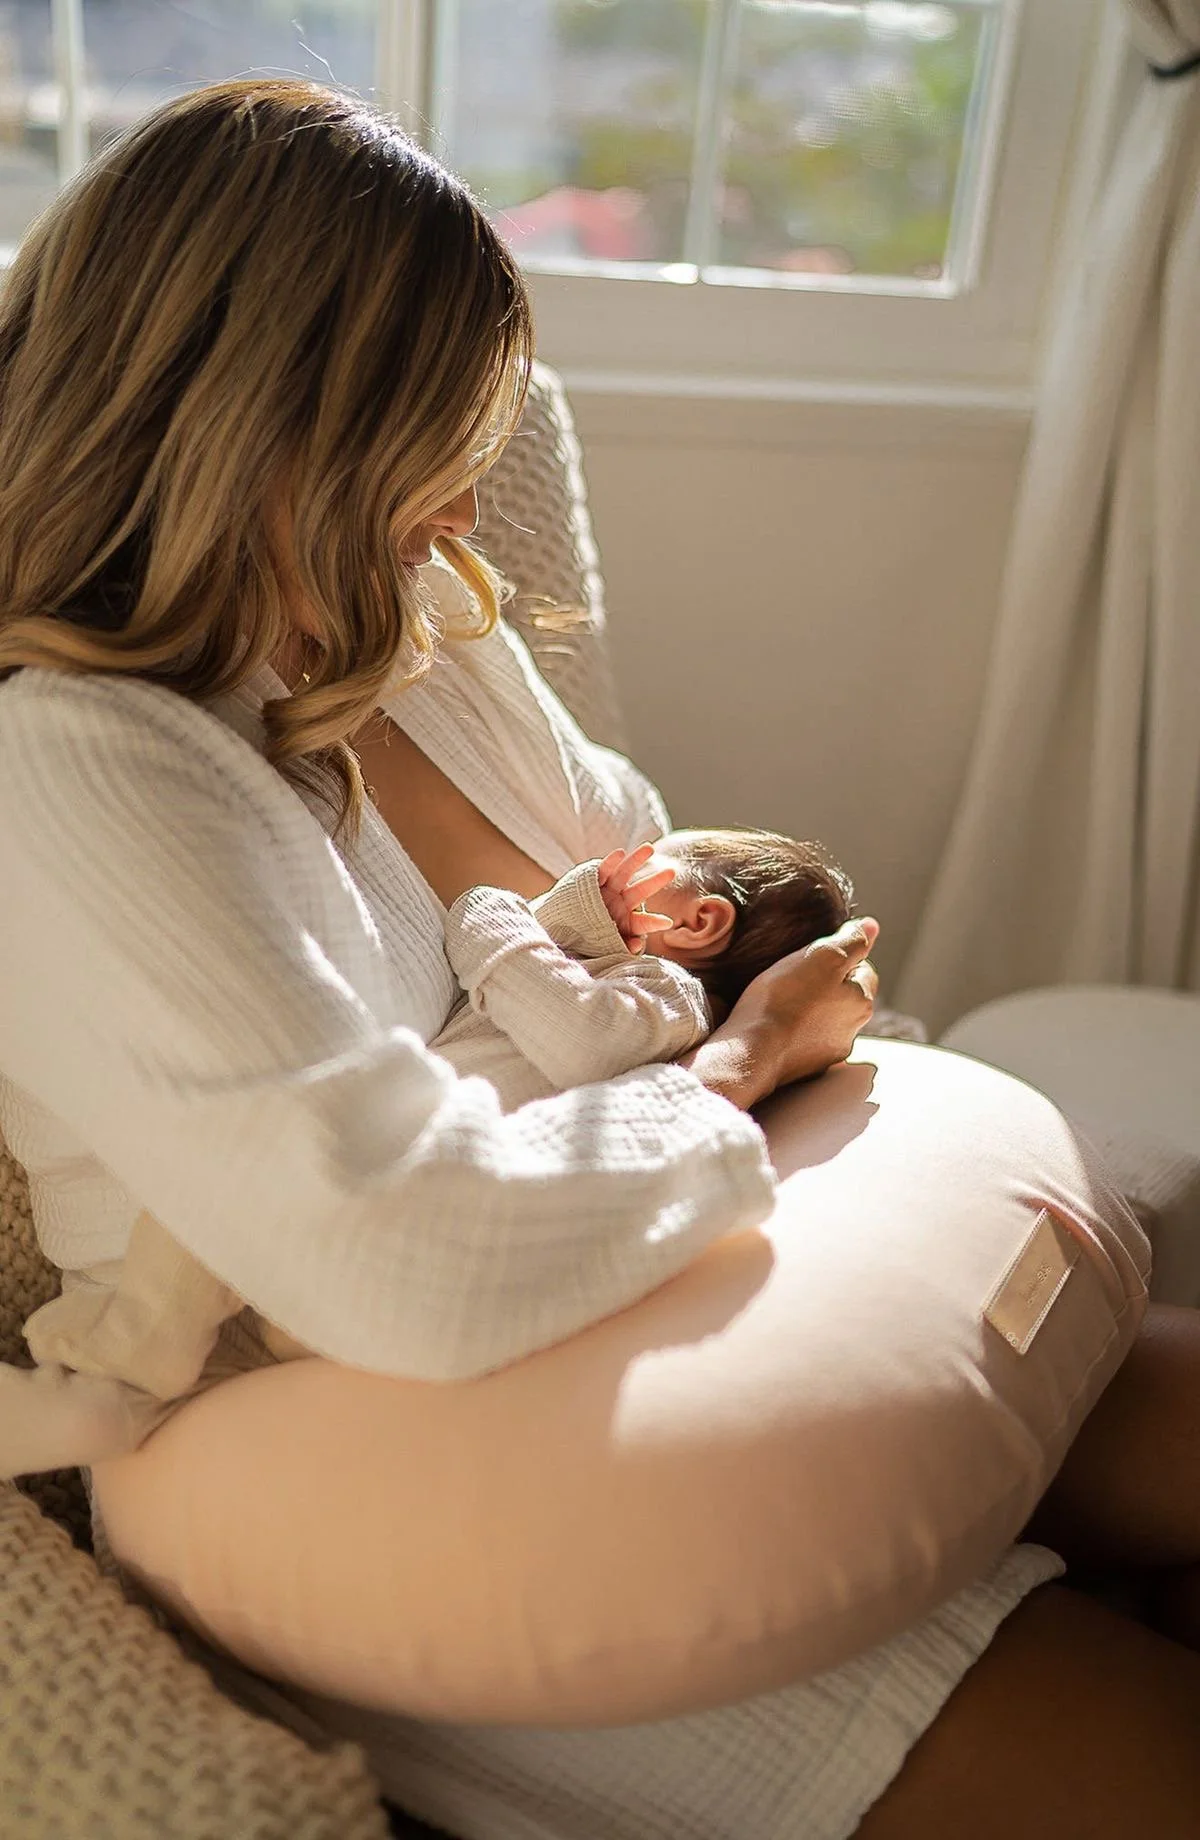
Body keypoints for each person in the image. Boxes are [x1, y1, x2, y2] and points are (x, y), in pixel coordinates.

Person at [0, 77, 1196, 1840]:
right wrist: (740, 1069)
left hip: (679, 1277)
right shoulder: (83, 770)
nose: (466, 523)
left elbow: (642, 885)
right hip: (430, 1461)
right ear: (260, 437)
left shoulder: (414, 631)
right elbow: (393, 1259)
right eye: (422, 457)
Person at [0, 818, 855, 1477]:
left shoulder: (660, 996)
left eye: (632, 872)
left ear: (700, 923)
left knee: (221, 1196)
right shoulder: (611, 976)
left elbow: (578, 1038)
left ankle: (125, 1372)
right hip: (342, 1261)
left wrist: (497, 918)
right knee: (217, 1225)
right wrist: (572, 916)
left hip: (396, 1229)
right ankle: (128, 1400)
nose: (597, 876)